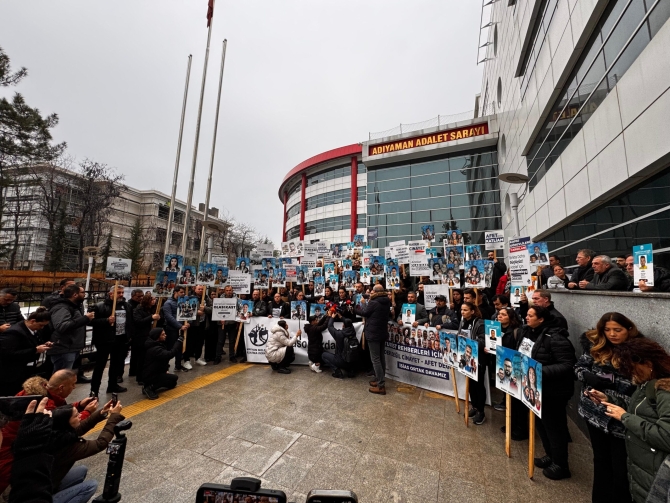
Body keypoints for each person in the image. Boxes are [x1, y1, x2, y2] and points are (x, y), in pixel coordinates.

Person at [592, 338, 670, 503]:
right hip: (644, 468)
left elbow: (666, 437)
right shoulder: (647, 384)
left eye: (631, 369)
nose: (628, 374)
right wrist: (610, 400)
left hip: (656, 474)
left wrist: (624, 417)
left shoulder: (664, 391)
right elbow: (640, 412)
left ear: (647, 363)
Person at [575, 312, 640, 503]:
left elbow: (638, 384)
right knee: (601, 460)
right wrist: (587, 377)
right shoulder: (597, 346)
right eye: (607, 330)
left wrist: (610, 384)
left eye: (617, 330)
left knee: (620, 468)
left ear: (629, 330)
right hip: (593, 410)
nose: (612, 334)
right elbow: (579, 367)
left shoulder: (638, 351)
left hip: (620, 417)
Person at [516, 306, 576, 480]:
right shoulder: (527, 332)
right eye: (526, 315)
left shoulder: (556, 337)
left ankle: (561, 464)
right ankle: (550, 455)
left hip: (553, 391)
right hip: (536, 389)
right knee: (541, 426)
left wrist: (539, 370)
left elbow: (568, 365)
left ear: (541, 319)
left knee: (555, 428)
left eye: (530, 315)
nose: (526, 318)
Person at [49, 398, 125, 502]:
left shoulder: (56, 433)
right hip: (39, 496)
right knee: (91, 486)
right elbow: (100, 444)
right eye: (76, 415)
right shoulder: (67, 447)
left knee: (82, 470)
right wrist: (114, 417)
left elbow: (79, 429)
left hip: (48, 481)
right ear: (66, 423)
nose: (80, 415)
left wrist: (102, 412)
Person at [0, 307, 52, 397]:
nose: (42, 328)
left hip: (27, 369)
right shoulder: (14, 332)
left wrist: (44, 344)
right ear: (32, 321)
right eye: (41, 325)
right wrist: (35, 350)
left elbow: (33, 342)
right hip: (12, 374)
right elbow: (7, 354)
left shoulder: (32, 330)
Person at [89, 285, 129, 397]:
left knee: (115, 364)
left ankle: (112, 385)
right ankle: (94, 390)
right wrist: (106, 320)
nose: (121, 295)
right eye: (118, 292)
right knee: (100, 366)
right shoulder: (100, 306)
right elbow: (90, 322)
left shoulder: (125, 306)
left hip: (120, 339)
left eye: (122, 292)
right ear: (110, 293)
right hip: (104, 340)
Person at [47, 285, 94, 372]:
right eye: (83, 293)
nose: (85, 295)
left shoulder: (74, 306)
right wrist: (85, 318)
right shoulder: (62, 307)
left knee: (65, 377)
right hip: (64, 348)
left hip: (71, 347)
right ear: (75, 295)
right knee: (61, 377)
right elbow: (62, 326)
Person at [358, 284, 392, 395]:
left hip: (373, 333)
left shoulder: (374, 302)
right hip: (382, 333)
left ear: (376, 292)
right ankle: (379, 379)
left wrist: (361, 305)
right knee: (381, 357)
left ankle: (381, 385)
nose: (371, 292)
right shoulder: (386, 301)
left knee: (375, 359)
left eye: (372, 291)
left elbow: (364, 313)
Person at [458, 302, 486, 425]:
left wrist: (470, 343)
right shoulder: (463, 321)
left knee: (478, 385)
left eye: (465, 310)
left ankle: (481, 411)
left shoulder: (480, 323)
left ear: (472, 311)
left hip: (478, 359)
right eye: (461, 310)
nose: (462, 312)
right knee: (471, 385)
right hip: (466, 357)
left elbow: (483, 341)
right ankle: (474, 407)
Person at [142, 327, 184, 399]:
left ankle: (150, 385)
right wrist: (178, 342)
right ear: (157, 337)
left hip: (156, 371)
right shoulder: (155, 349)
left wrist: (165, 370)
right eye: (163, 334)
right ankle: (149, 388)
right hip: (151, 374)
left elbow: (162, 361)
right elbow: (169, 354)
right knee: (174, 378)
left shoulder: (157, 344)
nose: (165, 335)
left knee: (172, 383)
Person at [130, 292, 160, 385]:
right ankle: (140, 377)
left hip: (150, 336)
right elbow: (139, 322)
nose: (154, 301)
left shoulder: (153, 309)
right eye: (152, 299)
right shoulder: (138, 310)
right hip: (141, 337)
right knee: (141, 358)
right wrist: (151, 317)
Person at [162, 285, 189, 373]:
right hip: (171, 329)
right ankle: (164, 367)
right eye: (181, 292)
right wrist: (179, 326)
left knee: (179, 348)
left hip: (182, 328)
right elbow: (169, 317)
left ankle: (178, 365)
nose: (183, 294)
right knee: (170, 348)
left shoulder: (184, 301)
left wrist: (188, 323)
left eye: (183, 292)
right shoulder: (168, 303)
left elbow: (188, 312)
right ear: (175, 292)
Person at [216, 286, 241, 364]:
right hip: (222, 323)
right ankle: (218, 357)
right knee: (220, 341)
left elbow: (239, 310)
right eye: (227, 290)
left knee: (232, 341)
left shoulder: (237, 300)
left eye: (230, 290)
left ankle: (232, 356)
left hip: (232, 323)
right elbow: (217, 310)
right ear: (224, 291)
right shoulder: (219, 299)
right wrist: (220, 318)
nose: (229, 292)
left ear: (232, 290)